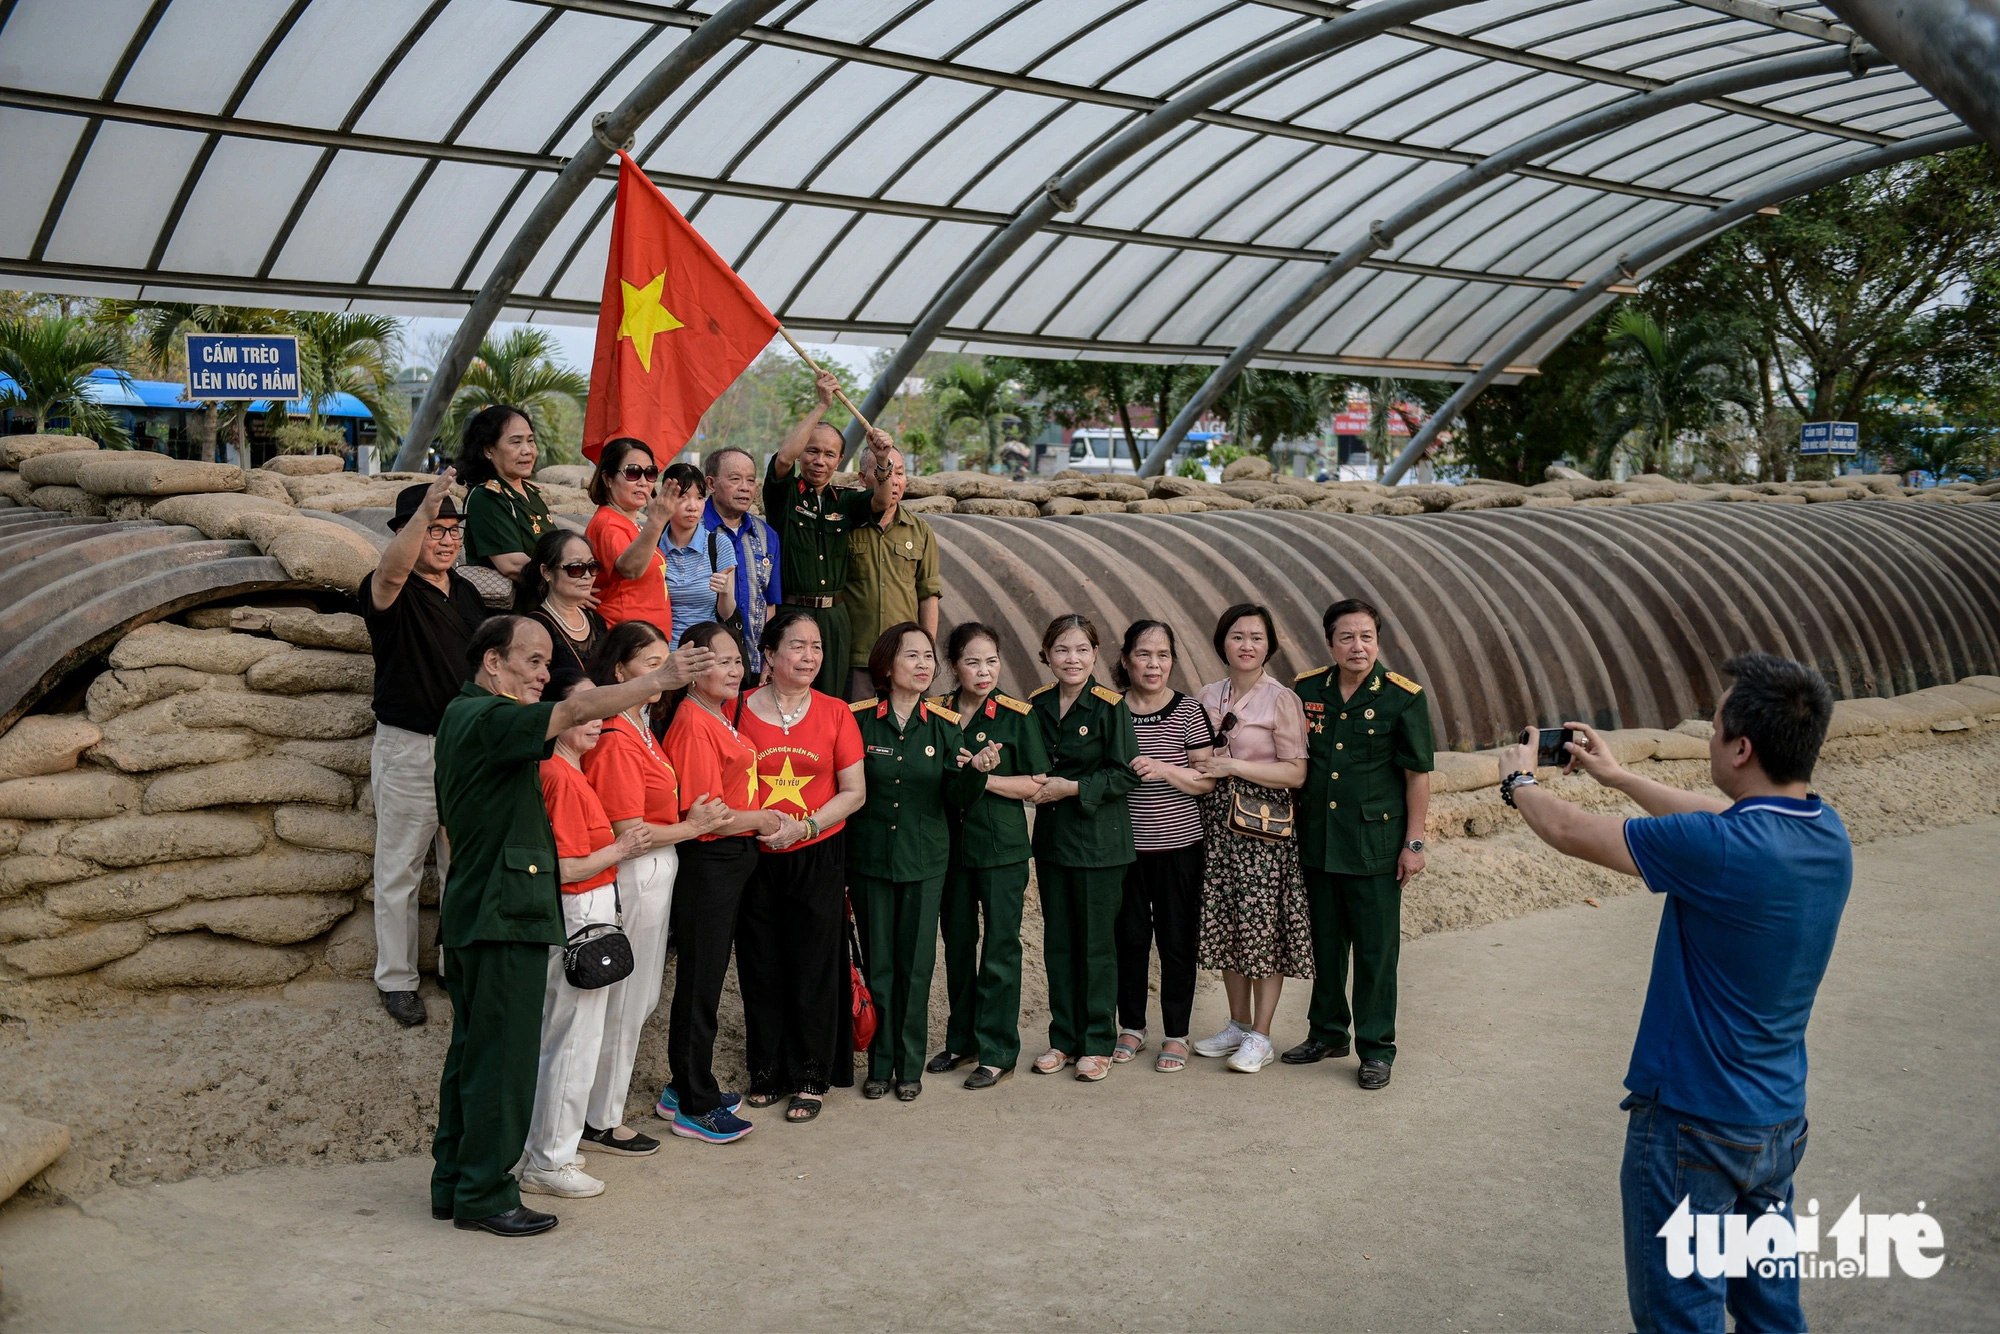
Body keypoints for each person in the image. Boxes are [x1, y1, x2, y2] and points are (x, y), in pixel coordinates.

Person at [1496, 654, 1849, 1333]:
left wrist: (1517, 783)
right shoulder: (1824, 832)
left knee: (1680, 1320)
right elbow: (1719, 813)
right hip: (1774, 1126)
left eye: (1715, 728)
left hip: (1693, 1127)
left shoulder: (1722, 850)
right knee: (1772, 1317)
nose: (1710, 738)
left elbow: (1570, 831)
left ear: (1741, 747)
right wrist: (1620, 776)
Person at [428, 613, 708, 1237]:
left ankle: (456, 1181)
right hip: (505, 915)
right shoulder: (484, 715)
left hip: (488, 911)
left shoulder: (467, 717)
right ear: (492, 662)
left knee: (473, 1057)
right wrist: (655, 680)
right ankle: (484, 1194)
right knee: (501, 1064)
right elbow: (563, 714)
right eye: (531, 661)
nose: (541, 674)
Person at [572, 621, 733, 1175]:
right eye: (651, 664)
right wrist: (693, 827)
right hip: (637, 872)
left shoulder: (640, 727)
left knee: (636, 999)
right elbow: (629, 831)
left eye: (669, 663)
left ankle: (601, 1111)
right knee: (625, 999)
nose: (664, 674)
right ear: (619, 672)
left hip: (655, 871)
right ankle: (601, 1118)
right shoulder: (618, 737)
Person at [1286, 598, 1434, 1090]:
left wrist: (1414, 842)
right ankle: (1327, 1032)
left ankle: (1376, 1047)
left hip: (1375, 845)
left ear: (1378, 641)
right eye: (1347, 637)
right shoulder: (1307, 689)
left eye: (1367, 636)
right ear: (1330, 643)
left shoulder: (1402, 697)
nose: (1358, 646)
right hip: (1319, 842)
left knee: (1375, 952)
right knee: (1327, 945)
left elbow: (1417, 776)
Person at [359, 471, 488, 1027]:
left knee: (460, 865)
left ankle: (452, 967)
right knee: (399, 871)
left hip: (463, 751)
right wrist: (425, 509)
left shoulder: (467, 593)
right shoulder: (388, 587)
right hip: (410, 749)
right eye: (435, 529)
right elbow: (392, 568)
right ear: (409, 531)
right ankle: (396, 980)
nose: (446, 539)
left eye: (453, 529)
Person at [518, 673, 653, 1201]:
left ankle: (550, 1149)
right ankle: (550, 1160)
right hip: (580, 913)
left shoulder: (567, 771)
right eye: (584, 707)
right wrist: (623, 850)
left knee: (570, 1037)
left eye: (600, 708)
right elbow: (568, 868)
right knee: (572, 1040)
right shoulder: (560, 776)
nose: (595, 717)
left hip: (586, 910)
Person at [655, 620, 788, 1143]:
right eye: (722, 660)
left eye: (738, 660)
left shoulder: (717, 716)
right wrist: (760, 819)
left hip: (732, 862)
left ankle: (680, 1089)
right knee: (700, 985)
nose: (735, 669)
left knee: (706, 980)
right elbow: (703, 814)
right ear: (692, 669)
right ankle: (695, 1102)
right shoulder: (692, 722)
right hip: (710, 863)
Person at [733, 608, 865, 1121]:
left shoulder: (836, 712)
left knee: (814, 963)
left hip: (818, 852)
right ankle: (766, 1070)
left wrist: (805, 825)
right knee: (761, 962)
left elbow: (854, 791)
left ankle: (812, 1074)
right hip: (754, 856)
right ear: (768, 654)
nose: (809, 656)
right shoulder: (736, 708)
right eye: (797, 646)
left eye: (816, 647)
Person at [847, 623, 988, 1100]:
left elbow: (956, 797)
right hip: (870, 862)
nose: (925, 664)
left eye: (929, 656)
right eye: (913, 656)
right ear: (887, 666)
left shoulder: (947, 727)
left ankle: (908, 1067)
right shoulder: (858, 720)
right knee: (880, 964)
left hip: (927, 863)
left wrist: (976, 774)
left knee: (916, 966)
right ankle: (878, 1064)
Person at [925, 622, 1049, 1090]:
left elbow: (1036, 785)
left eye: (992, 661)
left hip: (1002, 849)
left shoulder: (1017, 715)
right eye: (973, 662)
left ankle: (998, 1050)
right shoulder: (935, 712)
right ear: (954, 666)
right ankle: (963, 1041)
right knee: (957, 947)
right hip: (949, 849)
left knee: (1000, 948)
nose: (984, 671)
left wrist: (981, 777)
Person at [1190, 604, 1311, 1075]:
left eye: (1256, 638)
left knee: (1263, 928)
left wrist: (1234, 766)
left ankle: (1261, 1035)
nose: (1246, 645)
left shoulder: (1281, 699)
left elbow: (1296, 772)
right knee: (1226, 925)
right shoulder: (1208, 694)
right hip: (1216, 823)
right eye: (1237, 636)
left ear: (1269, 646)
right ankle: (1237, 1025)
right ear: (1222, 642)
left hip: (1263, 827)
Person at [1027, 614, 1141, 1083]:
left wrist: (1070, 789)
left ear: (1095, 654)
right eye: (1061, 650)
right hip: (1054, 842)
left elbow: (1124, 774)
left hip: (1099, 844)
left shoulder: (1110, 705)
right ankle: (1063, 1039)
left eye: (1081, 650)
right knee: (1059, 943)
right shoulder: (1035, 704)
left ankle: (1097, 1041)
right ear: (1047, 656)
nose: (1071, 659)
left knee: (1096, 945)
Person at [1111, 620, 1216, 1074]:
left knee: (1176, 942)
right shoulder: (1110, 710)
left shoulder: (1188, 712)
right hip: (1123, 850)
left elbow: (1207, 779)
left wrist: (1164, 769)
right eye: (1144, 654)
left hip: (1180, 848)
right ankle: (1131, 1026)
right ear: (1126, 659)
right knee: (1129, 940)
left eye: (1163, 655)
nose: (1154, 664)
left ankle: (1177, 1034)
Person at [764, 369, 866, 696]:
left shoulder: (847, 502)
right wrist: (821, 406)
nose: (819, 460)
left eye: (829, 454)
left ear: (839, 461)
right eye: (812, 450)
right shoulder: (786, 494)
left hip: (836, 618)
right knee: (789, 691)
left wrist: (882, 459)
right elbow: (783, 458)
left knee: (831, 697)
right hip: (793, 612)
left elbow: (882, 500)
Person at [841, 432, 941, 700]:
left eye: (900, 473)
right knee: (857, 730)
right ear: (863, 480)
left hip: (904, 657)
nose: (894, 482)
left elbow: (928, 596)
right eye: (884, 472)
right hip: (856, 655)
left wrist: (926, 653)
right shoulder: (846, 526)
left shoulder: (920, 532)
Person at [700, 446, 780, 677]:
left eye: (750, 480)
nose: (745, 487)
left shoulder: (766, 535)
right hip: (702, 660)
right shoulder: (691, 530)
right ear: (711, 484)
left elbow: (770, 602)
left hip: (752, 661)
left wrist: (768, 655)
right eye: (735, 479)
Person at [584, 437, 674, 630]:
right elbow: (630, 569)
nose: (643, 482)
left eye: (650, 473)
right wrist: (656, 523)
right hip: (625, 639)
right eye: (633, 473)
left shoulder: (632, 523)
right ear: (608, 479)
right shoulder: (607, 523)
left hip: (647, 639)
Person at [459, 405, 554, 582]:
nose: (527, 450)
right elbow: (513, 565)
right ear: (489, 450)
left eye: (530, 441)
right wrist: (567, 583)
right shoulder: (486, 497)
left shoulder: (531, 492)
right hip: (516, 607)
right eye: (516, 442)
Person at [656, 461, 735, 647]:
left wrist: (725, 592)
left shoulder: (719, 544)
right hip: (664, 653)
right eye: (683, 497)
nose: (693, 506)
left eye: (699, 497)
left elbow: (727, 613)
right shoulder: (653, 547)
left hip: (706, 652)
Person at [517, 529, 607, 676]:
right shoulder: (535, 627)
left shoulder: (597, 620)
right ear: (546, 572)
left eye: (592, 566)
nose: (587, 576)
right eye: (576, 568)